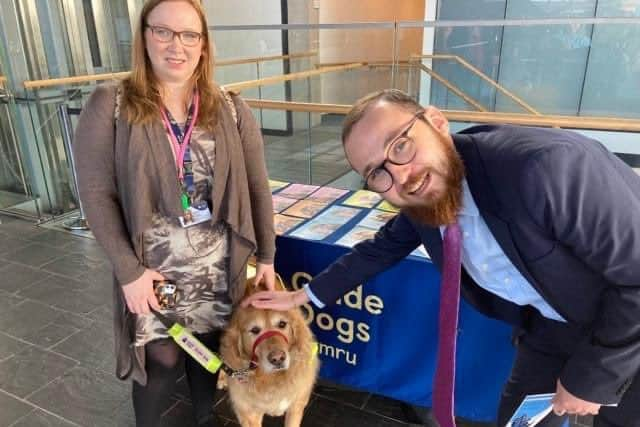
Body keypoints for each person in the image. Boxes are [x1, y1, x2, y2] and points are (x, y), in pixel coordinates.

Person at [244, 89, 640, 427]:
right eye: (377, 172)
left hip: (626, 327)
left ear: (436, 121)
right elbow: (383, 246)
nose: (400, 175)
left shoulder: (546, 169)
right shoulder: (427, 200)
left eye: (401, 145)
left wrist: (594, 376)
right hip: (552, 329)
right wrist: (306, 295)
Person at [73, 1, 276, 425]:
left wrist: (268, 258)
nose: (176, 46)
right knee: (161, 360)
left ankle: (202, 419)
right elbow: (95, 194)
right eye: (163, 32)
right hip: (154, 271)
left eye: (189, 35)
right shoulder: (112, 105)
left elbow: (258, 188)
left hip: (219, 267)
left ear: (203, 45)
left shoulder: (231, 108)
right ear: (144, 35)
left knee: (207, 354)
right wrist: (128, 272)